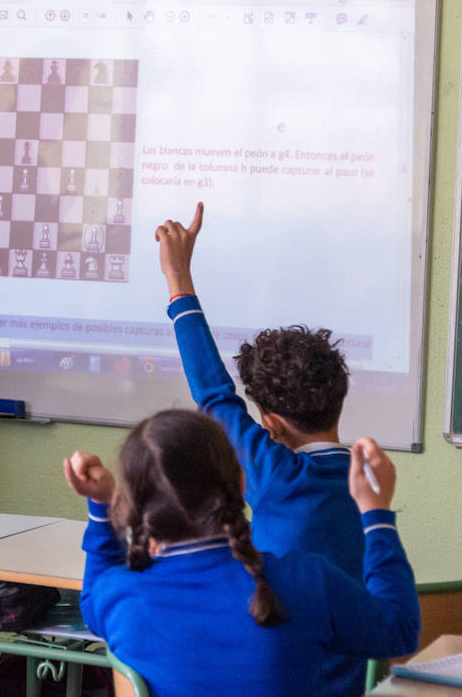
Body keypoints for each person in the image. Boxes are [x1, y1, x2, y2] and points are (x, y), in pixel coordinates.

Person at [156, 202, 370, 694]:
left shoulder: (278, 476)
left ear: (269, 426)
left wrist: (178, 277)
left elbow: (213, 394)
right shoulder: (371, 481)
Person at [63, 410, 419, 697]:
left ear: (134, 506)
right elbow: (399, 631)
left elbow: (92, 596)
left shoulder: (119, 596)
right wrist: (376, 514)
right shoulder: (307, 581)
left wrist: (100, 506)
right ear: (242, 482)